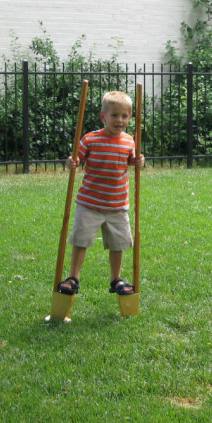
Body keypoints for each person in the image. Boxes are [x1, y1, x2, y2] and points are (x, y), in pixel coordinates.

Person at [58, 91, 145, 297]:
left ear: (130, 118)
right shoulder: (90, 139)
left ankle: (116, 279)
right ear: (103, 116)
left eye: (124, 116)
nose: (119, 120)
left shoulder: (129, 141)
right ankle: (73, 277)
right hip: (90, 203)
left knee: (119, 243)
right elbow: (76, 159)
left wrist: (139, 161)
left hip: (117, 206)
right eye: (114, 115)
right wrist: (71, 162)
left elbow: (132, 160)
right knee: (81, 240)